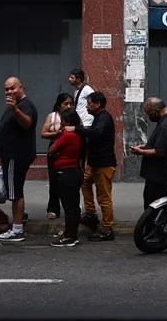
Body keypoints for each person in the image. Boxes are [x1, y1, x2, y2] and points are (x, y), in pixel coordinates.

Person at [0, 77, 38, 243]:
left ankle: (17, 229)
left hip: (16, 155)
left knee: (15, 193)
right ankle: (21, 219)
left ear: (21, 87)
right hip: (11, 155)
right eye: (6, 89)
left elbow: (27, 123)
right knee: (16, 189)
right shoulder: (16, 105)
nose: (9, 92)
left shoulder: (24, 105)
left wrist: (15, 110)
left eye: (12, 88)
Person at [75, 91, 117, 241]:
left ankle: (107, 229)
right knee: (85, 184)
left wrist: (77, 129)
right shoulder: (98, 118)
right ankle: (91, 214)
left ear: (98, 104)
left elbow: (96, 134)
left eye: (89, 103)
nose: (86, 106)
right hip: (94, 164)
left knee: (104, 197)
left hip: (103, 164)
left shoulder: (104, 118)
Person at [132, 97, 167, 209]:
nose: (149, 117)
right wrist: (145, 146)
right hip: (159, 175)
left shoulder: (166, 125)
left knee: (155, 206)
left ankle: (157, 225)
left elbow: (160, 151)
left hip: (159, 175)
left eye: (149, 114)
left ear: (157, 111)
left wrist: (141, 152)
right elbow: (160, 143)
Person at [48, 110, 85, 247]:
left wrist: (58, 137)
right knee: (73, 206)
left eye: (63, 120)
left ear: (68, 122)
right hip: (74, 172)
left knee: (69, 207)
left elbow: (51, 149)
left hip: (66, 173)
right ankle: (71, 234)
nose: (61, 122)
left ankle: (70, 236)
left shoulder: (67, 135)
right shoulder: (77, 135)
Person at [41, 93, 74, 220]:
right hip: (55, 150)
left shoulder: (73, 116)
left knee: (69, 180)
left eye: (70, 103)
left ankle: (71, 208)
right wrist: (57, 133)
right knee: (54, 180)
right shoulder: (52, 116)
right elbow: (43, 133)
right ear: (59, 105)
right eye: (65, 104)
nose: (68, 106)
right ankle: (53, 208)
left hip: (69, 151)